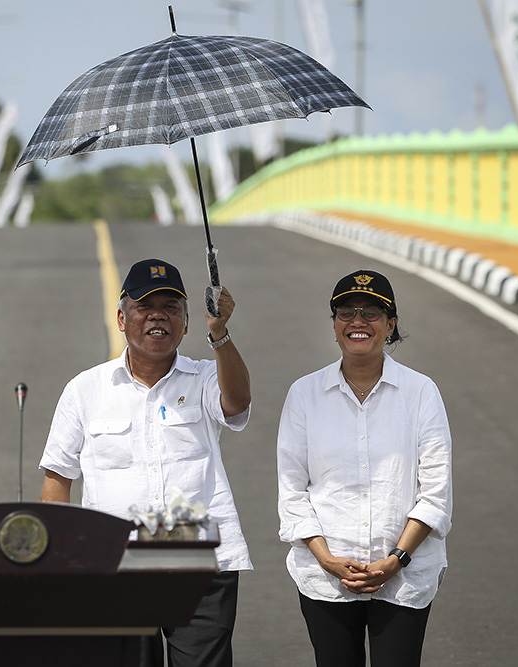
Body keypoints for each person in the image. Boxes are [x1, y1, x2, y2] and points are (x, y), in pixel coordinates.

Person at [39, 258, 253, 667]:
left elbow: (238, 402)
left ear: (187, 323)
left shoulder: (207, 376)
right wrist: (60, 560)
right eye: (144, 305)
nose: (158, 315)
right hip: (115, 566)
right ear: (122, 318)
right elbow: (58, 478)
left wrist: (220, 334)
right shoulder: (85, 389)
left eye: (171, 306)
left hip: (201, 563)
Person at [277, 269, 453, 667]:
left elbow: (435, 491)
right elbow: (292, 490)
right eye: (346, 312)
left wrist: (395, 559)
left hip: (405, 574)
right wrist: (326, 559)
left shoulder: (420, 391)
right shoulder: (304, 394)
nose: (358, 321)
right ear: (334, 324)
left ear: (390, 325)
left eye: (372, 312)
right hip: (326, 577)